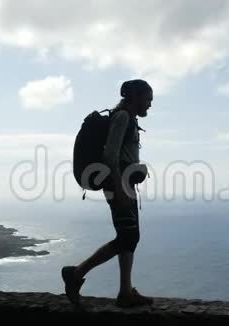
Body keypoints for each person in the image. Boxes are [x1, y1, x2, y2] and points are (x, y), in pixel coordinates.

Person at [61, 79, 153, 308]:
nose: (150, 104)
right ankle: (76, 274)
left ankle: (125, 291)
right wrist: (120, 187)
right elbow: (110, 155)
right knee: (127, 237)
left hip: (124, 184)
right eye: (147, 99)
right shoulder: (122, 117)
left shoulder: (128, 119)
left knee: (130, 237)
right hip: (118, 186)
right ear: (134, 97)